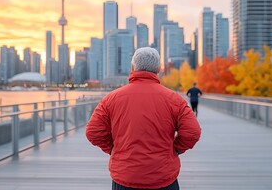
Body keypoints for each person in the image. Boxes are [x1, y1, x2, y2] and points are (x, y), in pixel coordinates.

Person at [86, 47, 201, 190]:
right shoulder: (174, 99)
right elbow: (193, 132)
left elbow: (93, 131)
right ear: (158, 69)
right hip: (163, 177)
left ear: (133, 67)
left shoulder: (111, 99)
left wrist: (113, 149)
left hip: (125, 177)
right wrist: (175, 149)